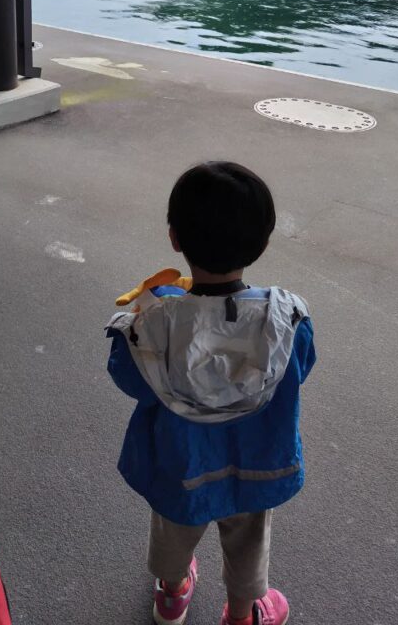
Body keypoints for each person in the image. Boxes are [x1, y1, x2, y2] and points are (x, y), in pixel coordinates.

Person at [106, 162, 316, 625]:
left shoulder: (154, 325)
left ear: (175, 239)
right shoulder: (285, 320)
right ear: (262, 242)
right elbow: (302, 366)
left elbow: (126, 377)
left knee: (174, 528)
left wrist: (147, 313)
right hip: (255, 464)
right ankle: (242, 615)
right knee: (247, 543)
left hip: (182, 465)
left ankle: (172, 592)